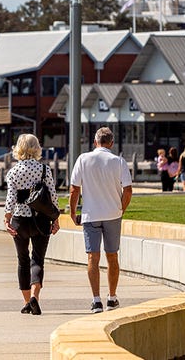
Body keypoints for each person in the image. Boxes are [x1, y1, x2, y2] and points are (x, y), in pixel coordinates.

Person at [69, 127, 133, 313]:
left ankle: (96, 300)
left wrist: (73, 212)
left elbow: (74, 189)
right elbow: (128, 190)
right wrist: (121, 208)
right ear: (111, 143)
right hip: (113, 214)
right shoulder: (118, 161)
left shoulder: (83, 159)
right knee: (112, 256)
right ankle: (112, 298)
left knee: (92, 257)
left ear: (95, 142)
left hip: (90, 215)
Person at [3, 134, 59, 315]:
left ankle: (27, 301)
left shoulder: (13, 172)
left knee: (22, 260)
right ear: (37, 148)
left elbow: (10, 199)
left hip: (20, 220)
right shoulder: (44, 170)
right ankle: (35, 296)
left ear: (18, 149)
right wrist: (55, 218)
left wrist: (7, 218)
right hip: (41, 219)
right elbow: (52, 195)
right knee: (38, 259)